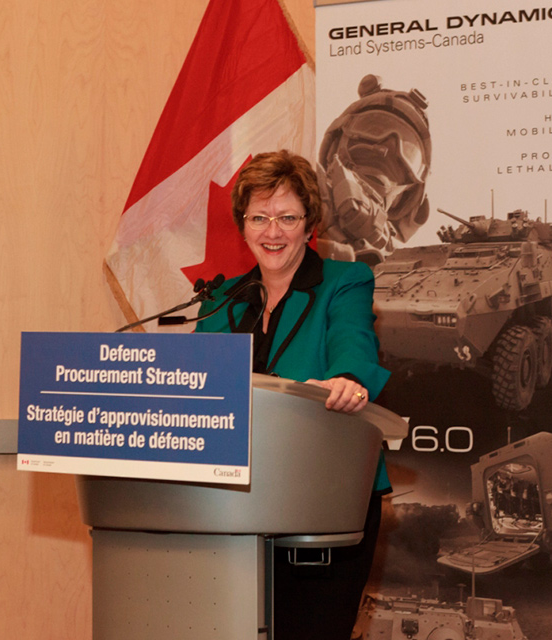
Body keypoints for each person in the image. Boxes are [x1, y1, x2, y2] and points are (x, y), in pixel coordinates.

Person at [195, 149, 391, 639]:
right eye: (258, 217)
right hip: (231, 506)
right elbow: (200, 386)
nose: (272, 231)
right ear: (242, 226)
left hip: (324, 500)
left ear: (311, 225)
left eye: (287, 217)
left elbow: (353, 341)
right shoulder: (221, 300)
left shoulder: (345, 283)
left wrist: (348, 378)